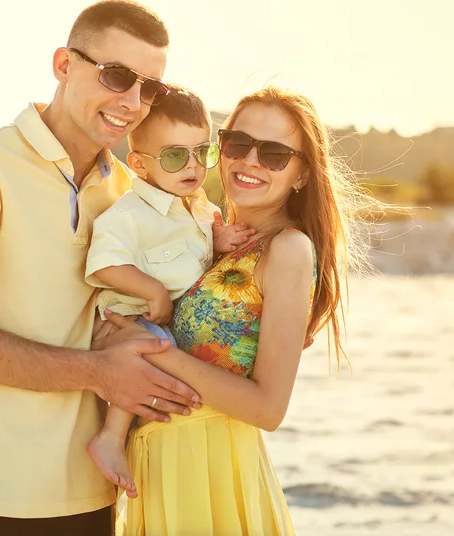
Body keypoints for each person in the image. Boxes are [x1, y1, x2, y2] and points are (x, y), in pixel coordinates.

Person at [0, 0, 204, 536]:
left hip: (98, 497)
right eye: (117, 76)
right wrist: (98, 371)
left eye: (150, 88)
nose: (133, 102)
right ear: (64, 65)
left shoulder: (131, 193)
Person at [94, 86, 370, 535]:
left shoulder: (289, 250)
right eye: (238, 144)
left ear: (301, 174)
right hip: (156, 461)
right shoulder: (204, 237)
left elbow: (268, 408)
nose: (251, 161)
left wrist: (147, 348)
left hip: (210, 465)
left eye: (276, 153)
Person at [84, 84, 255, 498]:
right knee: (154, 347)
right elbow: (104, 263)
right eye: (177, 155)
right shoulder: (128, 215)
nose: (193, 165)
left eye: (203, 152)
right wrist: (152, 290)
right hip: (136, 318)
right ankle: (111, 435)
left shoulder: (201, 209)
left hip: (180, 318)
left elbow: (196, 256)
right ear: (140, 165)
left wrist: (219, 240)